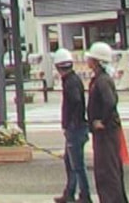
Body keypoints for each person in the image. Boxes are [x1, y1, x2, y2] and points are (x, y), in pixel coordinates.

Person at [85, 41, 127, 203]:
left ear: (96, 61)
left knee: (106, 171)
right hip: (107, 132)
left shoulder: (102, 81)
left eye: (90, 58)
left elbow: (110, 102)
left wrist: (101, 121)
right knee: (109, 169)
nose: (87, 60)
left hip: (106, 133)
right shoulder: (101, 79)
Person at [53, 48, 90, 203]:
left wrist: (70, 123)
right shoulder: (73, 80)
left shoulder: (70, 82)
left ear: (58, 67)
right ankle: (69, 193)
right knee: (70, 162)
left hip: (75, 128)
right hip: (77, 127)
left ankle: (84, 195)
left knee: (77, 165)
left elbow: (74, 101)